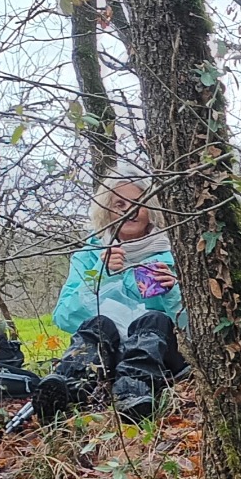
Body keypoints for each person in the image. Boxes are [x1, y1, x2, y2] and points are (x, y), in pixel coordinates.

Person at [36, 172, 188, 420]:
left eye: (139, 203)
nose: (130, 210)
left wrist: (173, 293)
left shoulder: (176, 252)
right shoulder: (89, 256)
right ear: (106, 211)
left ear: (151, 209)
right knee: (99, 324)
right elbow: (64, 317)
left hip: (162, 354)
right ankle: (65, 387)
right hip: (108, 354)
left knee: (154, 319)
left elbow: (195, 327)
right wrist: (100, 275)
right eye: (119, 203)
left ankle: (133, 394)